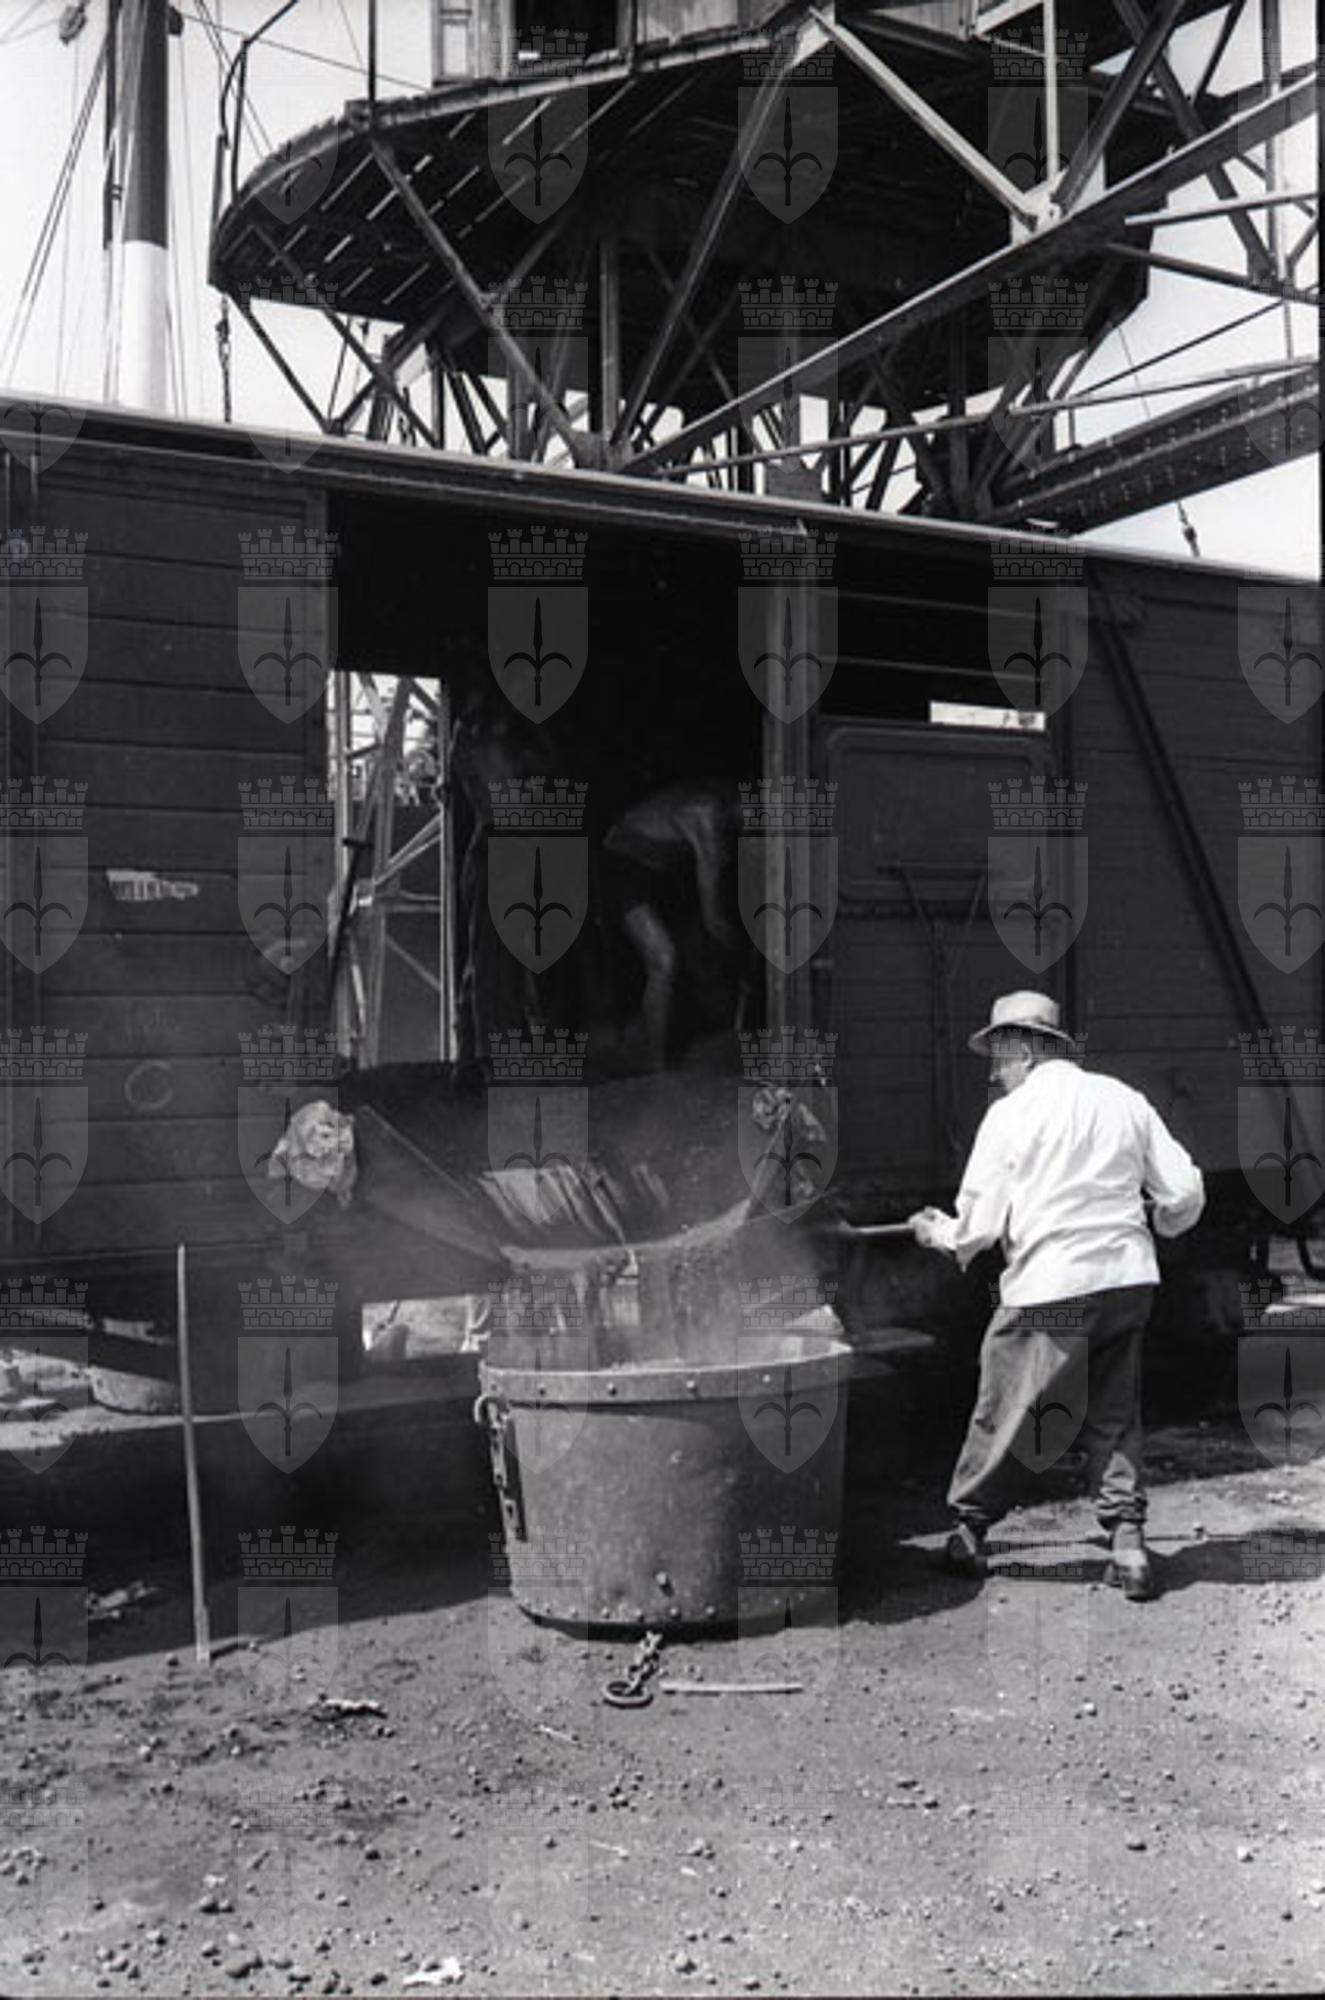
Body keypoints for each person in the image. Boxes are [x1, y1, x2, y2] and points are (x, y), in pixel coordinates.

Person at [908, 990, 1205, 1601]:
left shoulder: (1010, 1115)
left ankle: (967, 1534)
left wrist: (934, 1231)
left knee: (1004, 1405)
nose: (995, 1071)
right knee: (1115, 1413)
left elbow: (978, 1228)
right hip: (1127, 1280)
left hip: (1052, 1287)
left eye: (999, 1055)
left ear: (1024, 1049)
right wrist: (1160, 1222)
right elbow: (1183, 1191)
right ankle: (1128, 1546)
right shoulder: (1123, 1098)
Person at [599, 779, 750, 1069]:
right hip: (622, 865)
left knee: (698, 951)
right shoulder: (705, 812)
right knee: (663, 959)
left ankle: (711, 1034)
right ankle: (658, 1064)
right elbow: (713, 913)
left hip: (661, 872)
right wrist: (734, 948)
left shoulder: (724, 815)